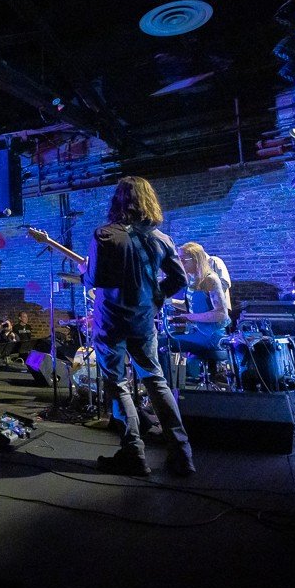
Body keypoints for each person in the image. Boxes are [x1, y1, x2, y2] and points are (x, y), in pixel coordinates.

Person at [81, 176, 195, 477]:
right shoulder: (162, 239)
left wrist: (84, 272)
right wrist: (156, 297)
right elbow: (179, 279)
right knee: (156, 380)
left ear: (117, 201)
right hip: (143, 321)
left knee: (117, 384)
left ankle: (134, 454)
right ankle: (182, 455)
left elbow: (95, 279)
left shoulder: (105, 235)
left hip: (111, 321)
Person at [173, 242, 231, 385]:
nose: (180, 262)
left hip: (212, 335)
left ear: (196, 259)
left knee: (164, 342)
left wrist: (190, 317)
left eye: (183, 259)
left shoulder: (210, 279)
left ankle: (167, 388)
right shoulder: (193, 279)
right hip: (199, 332)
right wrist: (168, 301)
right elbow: (190, 306)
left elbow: (221, 314)